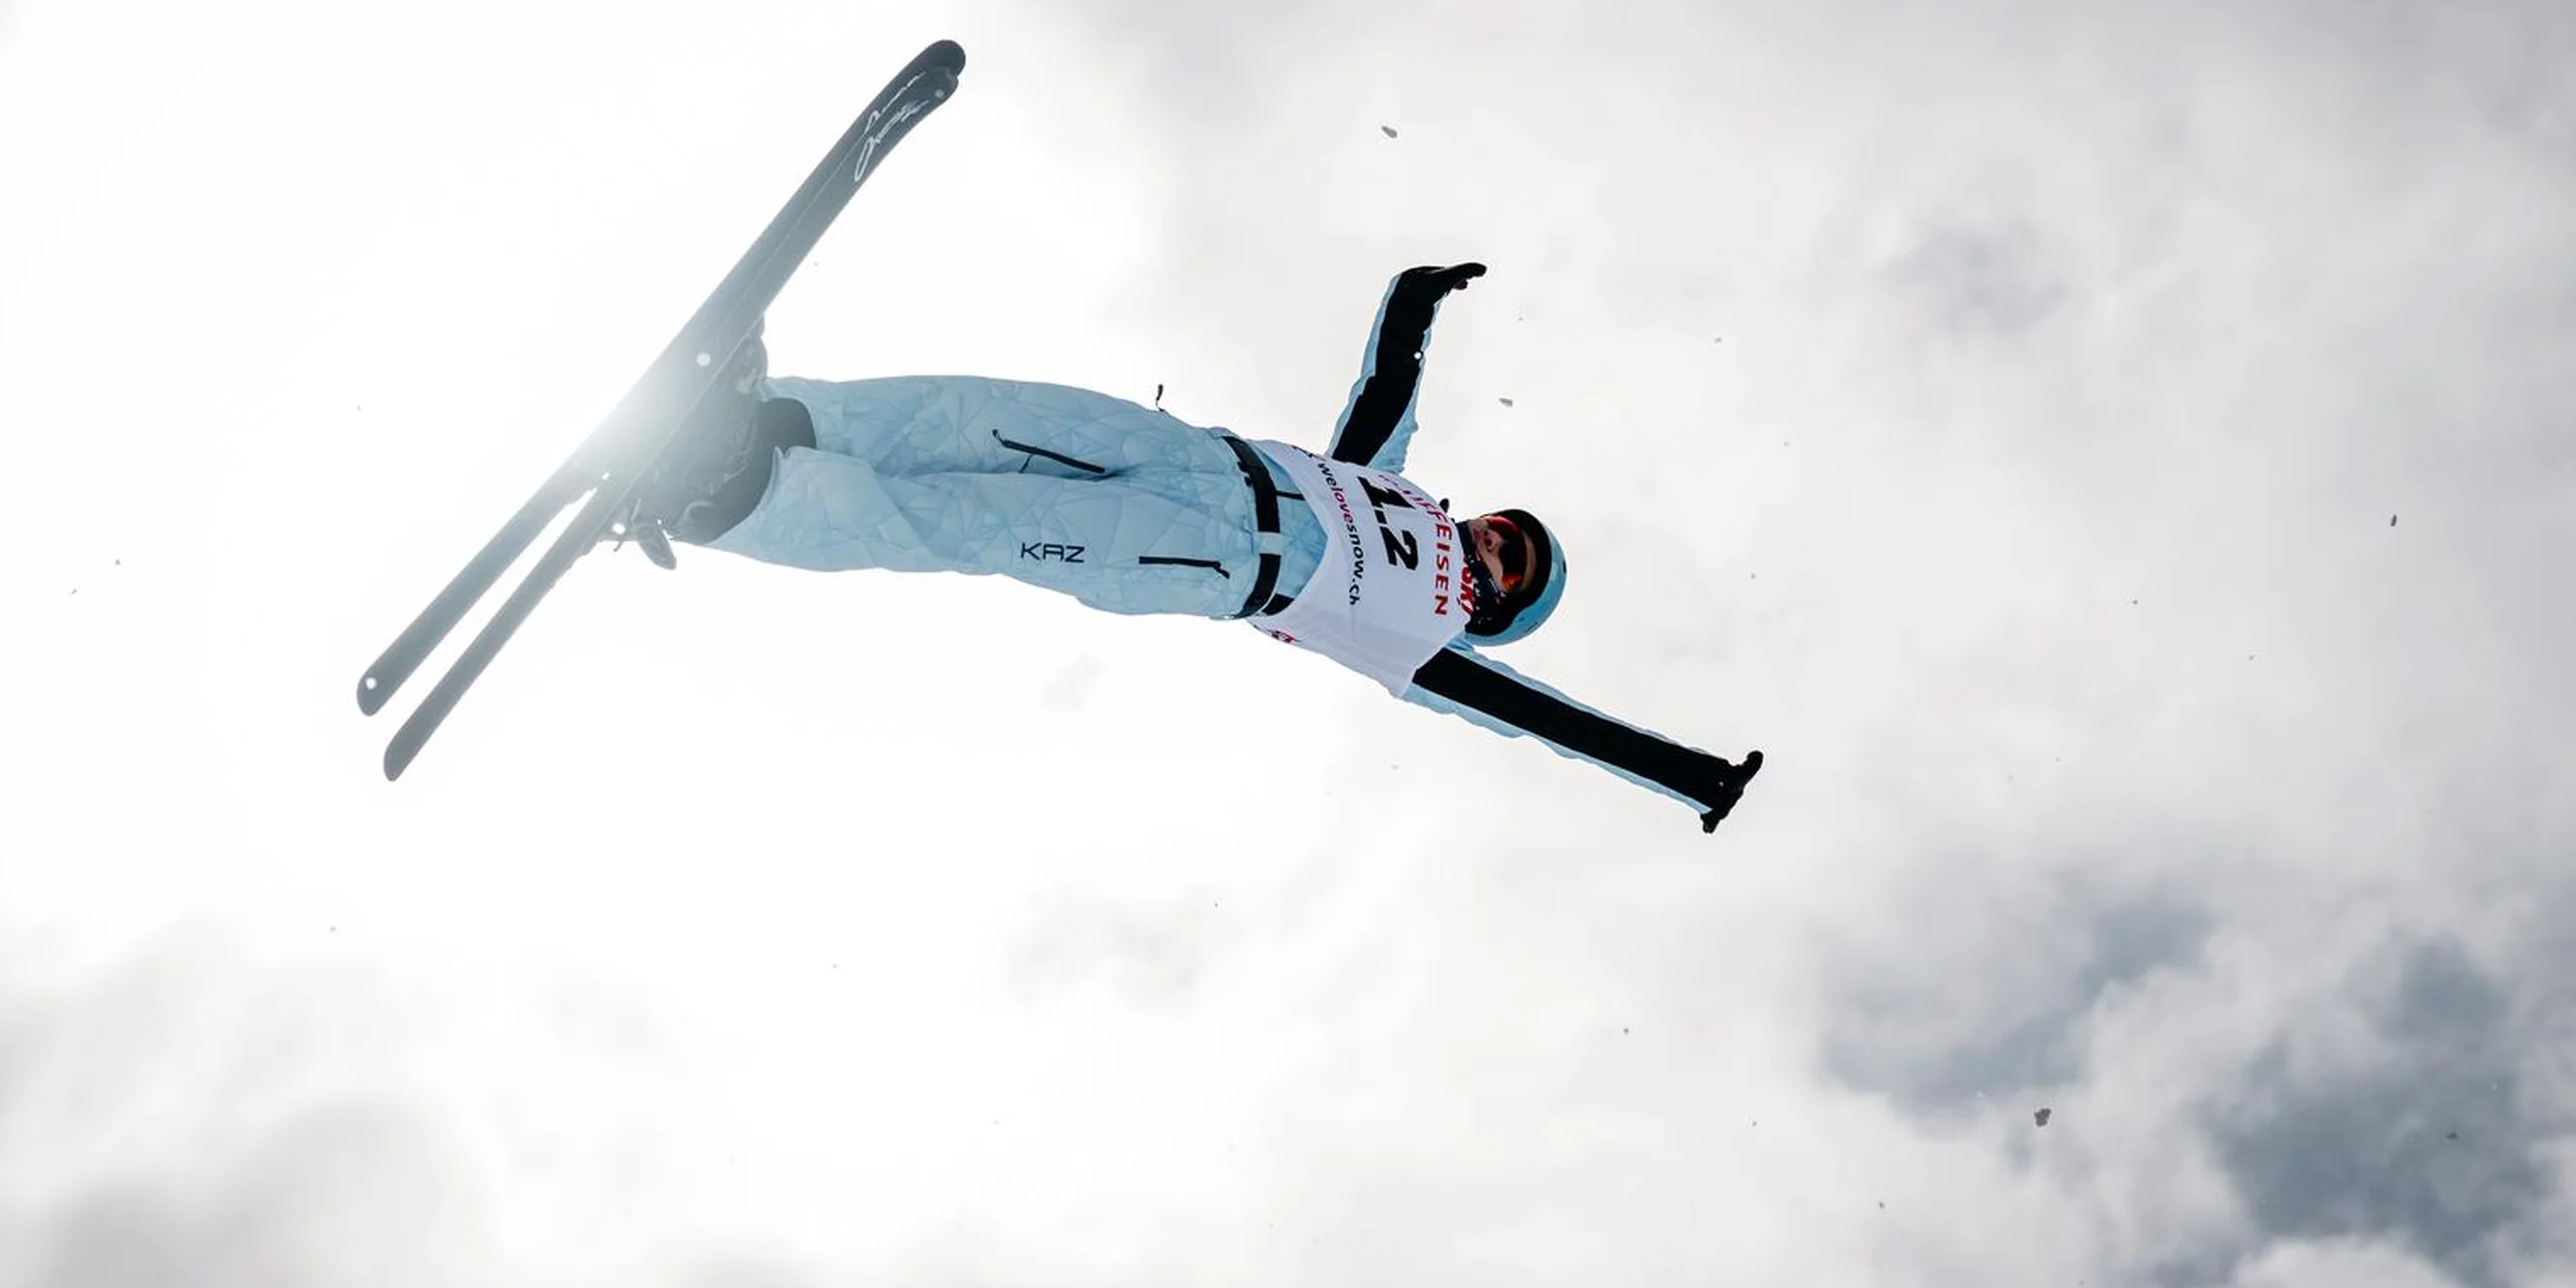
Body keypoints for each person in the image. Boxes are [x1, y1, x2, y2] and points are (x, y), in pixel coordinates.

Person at [623, 262, 1764, 832]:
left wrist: (1688, 777)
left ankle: (734, 496)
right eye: (1505, 526)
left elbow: (1550, 721)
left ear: (1496, 609)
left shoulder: (1425, 645)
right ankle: (764, 421)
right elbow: (1389, 385)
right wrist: (1416, 296)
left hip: (1212, 564)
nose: (1491, 543)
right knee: (975, 414)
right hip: (1201, 456)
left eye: (1511, 566)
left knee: (972, 521)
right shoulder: (1390, 488)